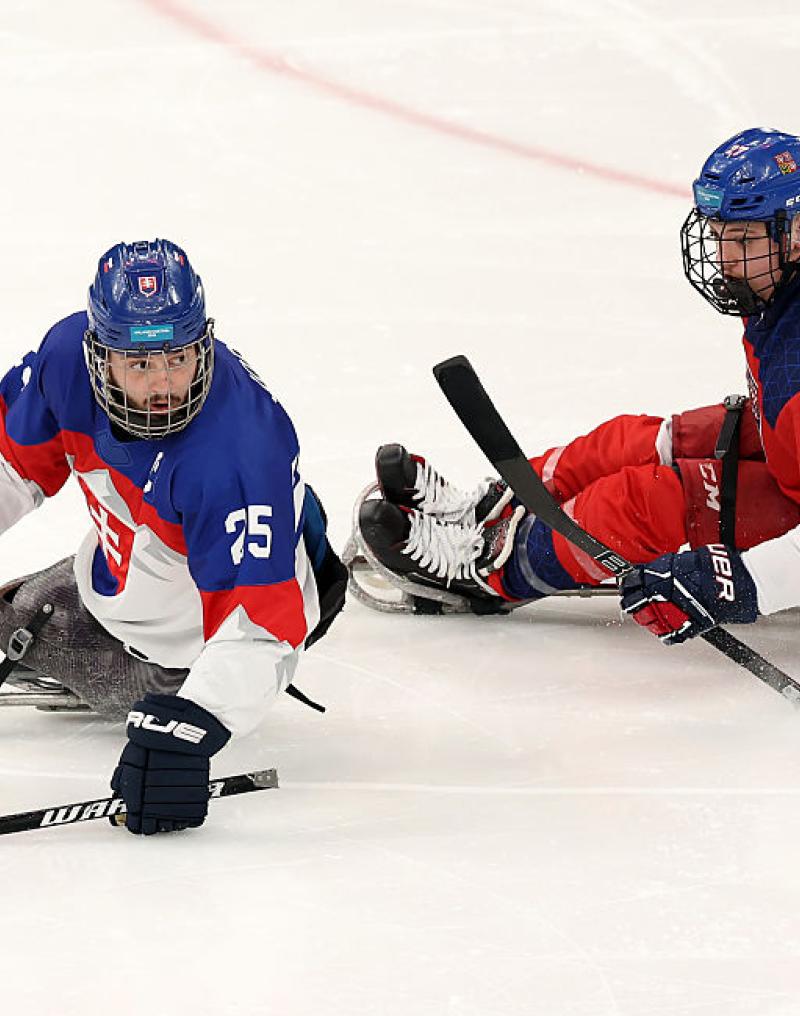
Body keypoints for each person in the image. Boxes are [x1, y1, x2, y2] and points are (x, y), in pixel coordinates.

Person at [354, 127, 800, 644]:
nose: (723, 258)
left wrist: (747, 582)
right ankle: (498, 509)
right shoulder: (779, 289)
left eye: (743, 240)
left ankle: (487, 573)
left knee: (640, 503)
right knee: (639, 440)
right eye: (719, 234)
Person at [0, 239, 346, 834]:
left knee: (27, 617)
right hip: (157, 553)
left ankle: (167, 669)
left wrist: (192, 723)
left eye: (179, 359)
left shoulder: (234, 452)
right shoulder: (64, 361)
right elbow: (10, 465)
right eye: (140, 365)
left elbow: (261, 626)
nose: (165, 384)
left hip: (225, 604)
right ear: (99, 357)